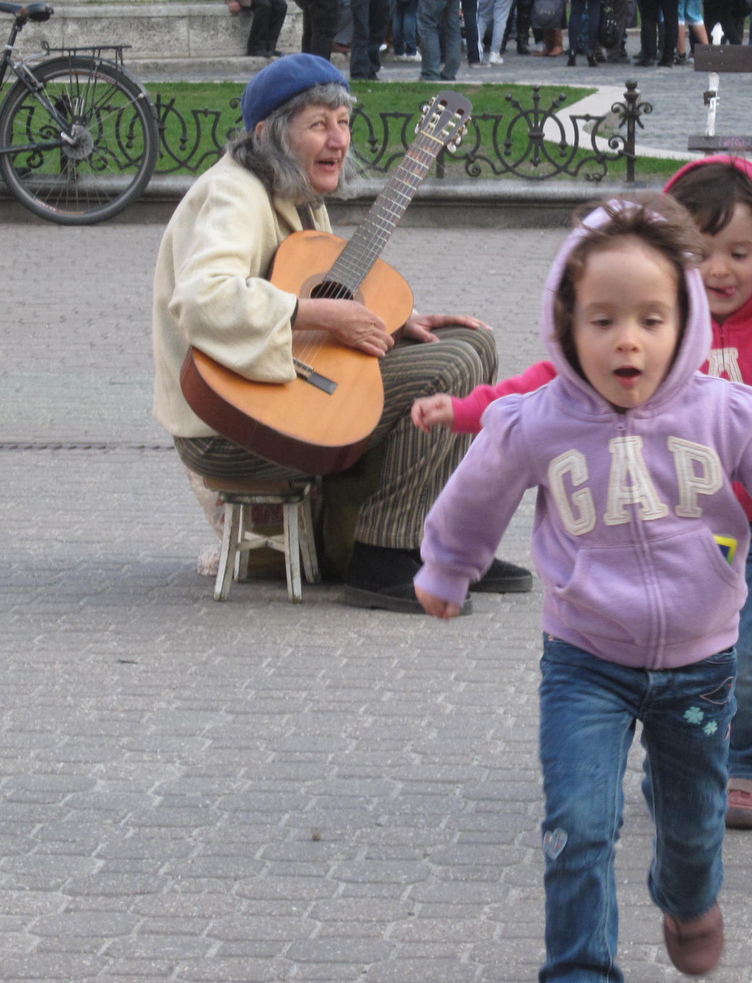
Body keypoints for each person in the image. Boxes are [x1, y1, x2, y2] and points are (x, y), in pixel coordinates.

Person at [414, 196, 752, 983]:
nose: (629, 339)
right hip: (584, 657)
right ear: (566, 324)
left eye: (651, 319)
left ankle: (689, 898)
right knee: (578, 820)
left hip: (700, 662)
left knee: (693, 823)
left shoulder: (728, 412)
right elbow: (476, 493)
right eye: (605, 319)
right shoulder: (537, 420)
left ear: (686, 320)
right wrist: (448, 568)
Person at [153, 54, 532, 611]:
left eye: (344, 122)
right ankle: (381, 557)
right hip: (232, 426)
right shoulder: (234, 193)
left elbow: (314, 287)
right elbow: (204, 297)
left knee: (471, 345)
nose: (338, 139)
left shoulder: (294, 193)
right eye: (318, 124)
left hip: (278, 388)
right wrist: (321, 315)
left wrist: (397, 322)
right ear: (268, 134)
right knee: (449, 368)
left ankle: (437, 544)